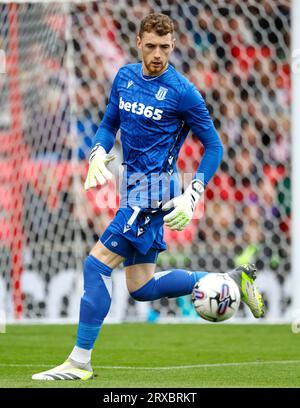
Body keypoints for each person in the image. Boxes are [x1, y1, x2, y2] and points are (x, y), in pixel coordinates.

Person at [32, 13, 264, 381]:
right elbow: (110, 124)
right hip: (133, 187)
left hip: (154, 191)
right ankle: (234, 279)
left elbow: (214, 146)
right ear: (138, 42)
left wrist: (193, 193)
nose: (158, 54)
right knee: (141, 287)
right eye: (152, 46)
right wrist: (96, 152)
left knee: (95, 265)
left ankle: (79, 361)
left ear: (173, 46)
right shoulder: (124, 77)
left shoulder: (182, 91)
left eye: (165, 47)